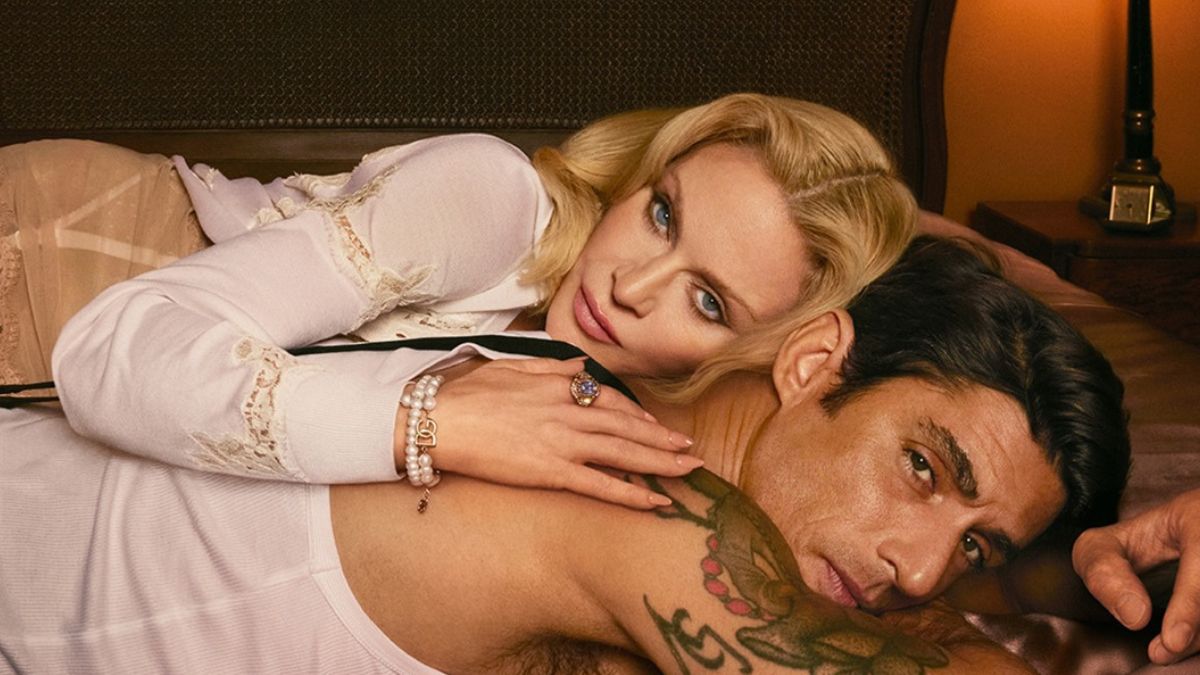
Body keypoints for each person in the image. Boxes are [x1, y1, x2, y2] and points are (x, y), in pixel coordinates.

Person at [0, 236, 1132, 672]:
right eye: (924, 469)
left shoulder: (582, 393)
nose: (920, 572)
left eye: (974, 549)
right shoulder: (640, 500)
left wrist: (1097, 567)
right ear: (811, 362)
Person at [0, 93, 916, 508]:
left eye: (708, 302)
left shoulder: (626, 410)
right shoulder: (491, 199)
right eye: (663, 212)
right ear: (643, 171)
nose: (629, 286)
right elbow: (114, 350)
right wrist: (428, 422)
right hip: (49, 256)